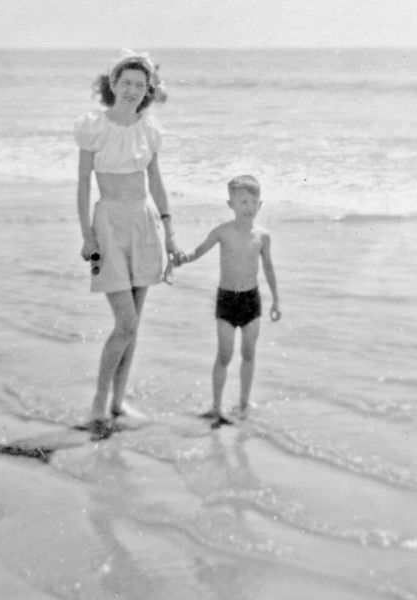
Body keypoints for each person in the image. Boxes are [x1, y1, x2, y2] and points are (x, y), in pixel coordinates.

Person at [75, 49, 183, 436]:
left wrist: (169, 232)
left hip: (144, 223)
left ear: (148, 89)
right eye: (126, 83)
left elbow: (156, 181)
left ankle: (118, 403)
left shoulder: (150, 130)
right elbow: (83, 184)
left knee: (133, 326)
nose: (133, 90)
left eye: (141, 85)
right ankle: (97, 405)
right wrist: (86, 235)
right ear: (113, 84)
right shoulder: (93, 127)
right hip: (108, 224)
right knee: (125, 322)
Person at [173, 174, 281, 426]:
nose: (248, 207)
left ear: (260, 205)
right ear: (230, 204)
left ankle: (243, 405)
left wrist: (276, 300)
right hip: (226, 300)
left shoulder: (263, 236)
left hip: (251, 301)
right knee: (224, 355)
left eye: (253, 202)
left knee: (249, 353)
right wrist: (181, 259)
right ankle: (216, 406)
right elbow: (198, 251)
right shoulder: (222, 232)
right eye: (242, 202)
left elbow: (269, 268)